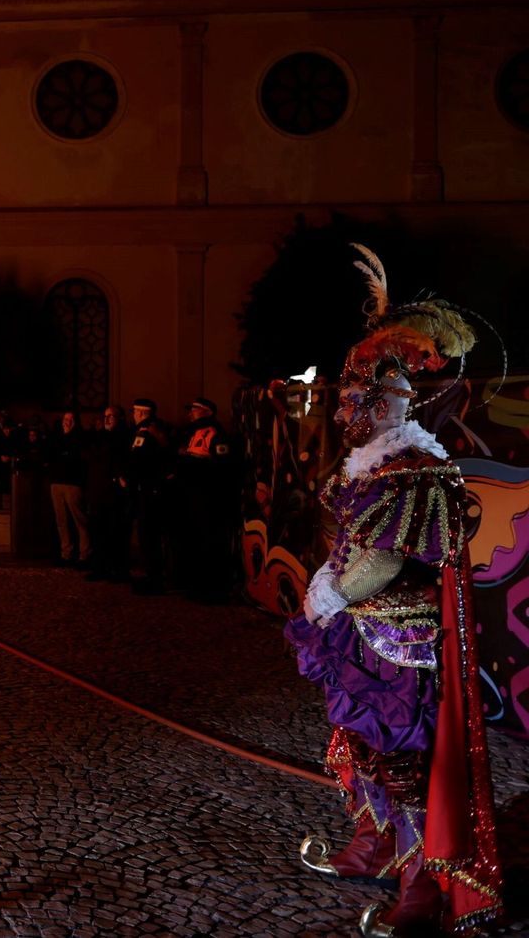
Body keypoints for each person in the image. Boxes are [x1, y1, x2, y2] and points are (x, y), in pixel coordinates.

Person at [288, 246, 500, 937]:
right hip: (361, 633)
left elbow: (378, 559)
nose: (347, 405)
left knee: (404, 759)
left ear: (392, 400)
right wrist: (331, 585)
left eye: (359, 396)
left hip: (401, 647)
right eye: (346, 394)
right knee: (358, 743)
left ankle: (423, 884)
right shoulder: (369, 462)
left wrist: (329, 594)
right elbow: (347, 539)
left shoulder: (413, 468)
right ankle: (375, 844)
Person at [168, 396, 237, 602]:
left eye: (195, 410)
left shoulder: (215, 433)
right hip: (193, 496)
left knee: (210, 542)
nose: (191, 413)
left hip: (208, 498)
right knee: (196, 541)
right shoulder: (193, 433)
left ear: (208, 412)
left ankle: (212, 588)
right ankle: (197, 584)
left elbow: (221, 467)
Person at [123, 398, 172, 594]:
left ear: (142, 413)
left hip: (149, 490)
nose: (133, 415)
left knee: (149, 534)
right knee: (147, 535)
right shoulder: (150, 430)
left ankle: (154, 577)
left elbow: (139, 460)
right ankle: (151, 575)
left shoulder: (146, 431)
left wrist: (131, 478)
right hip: (148, 489)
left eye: (135, 412)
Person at [84, 404, 132, 581]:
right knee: (98, 532)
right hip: (98, 493)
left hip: (114, 494)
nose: (107, 419)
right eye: (105, 416)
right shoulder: (100, 437)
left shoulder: (124, 437)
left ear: (119, 419)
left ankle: (118, 570)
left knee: (116, 532)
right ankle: (100, 568)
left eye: (111, 416)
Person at [45, 410, 91, 568]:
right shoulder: (58, 438)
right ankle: (66, 553)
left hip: (73, 484)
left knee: (80, 520)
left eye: (71, 419)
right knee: (61, 521)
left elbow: (78, 458)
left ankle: (85, 554)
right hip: (57, 483)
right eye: (66, 419)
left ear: (76, 422)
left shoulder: (80, 438)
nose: (67, 422)